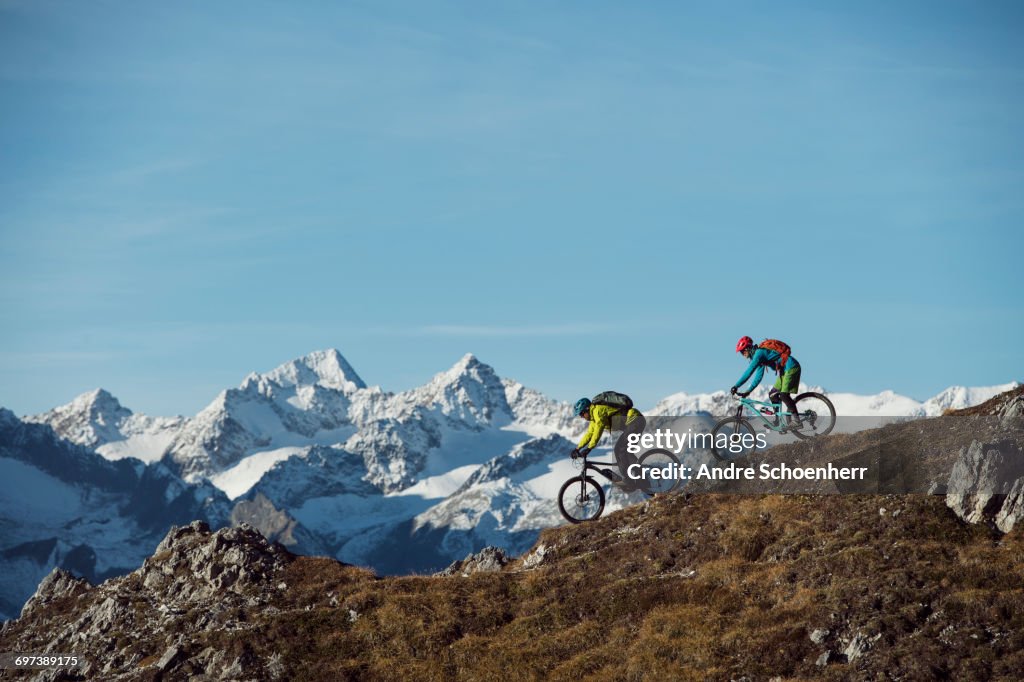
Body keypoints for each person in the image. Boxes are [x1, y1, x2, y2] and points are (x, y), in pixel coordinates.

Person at [570, 395, 647, 490]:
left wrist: (589, 448)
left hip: (635, 421)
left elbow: (598, 430)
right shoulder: (594, 417)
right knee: (623, 451)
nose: (581, 417)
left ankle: (633, 480)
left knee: (620, 450)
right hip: (633, 423)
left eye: (581, 414)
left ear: (586, 409)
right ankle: (640, 477)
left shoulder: (598, 411)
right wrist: (578, 448)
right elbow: (590, 434)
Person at [730, 336, 803, 429]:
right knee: (773, 394)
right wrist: (748, 391)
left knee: (784, 395)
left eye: (743, 351)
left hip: (791, 367)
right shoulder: (758, 357)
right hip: (784, 371)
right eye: (741, 352)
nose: (742, 354)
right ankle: (778, 421)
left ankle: (797, 421)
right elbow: (758, 377)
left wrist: (736, 386)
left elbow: (749, 371)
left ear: (748, 348)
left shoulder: (759, 354)